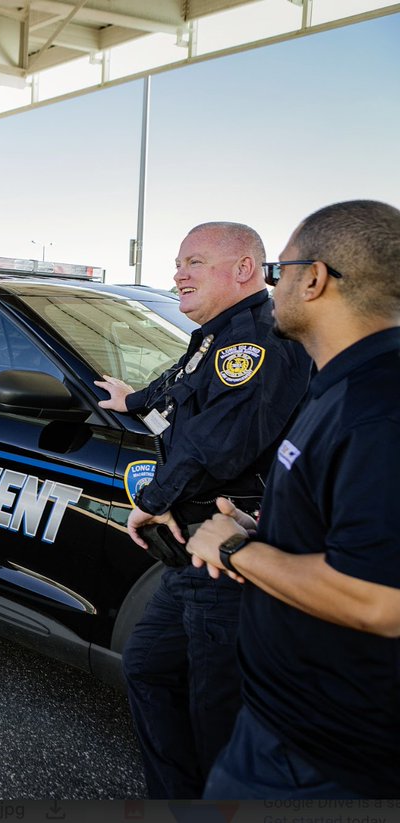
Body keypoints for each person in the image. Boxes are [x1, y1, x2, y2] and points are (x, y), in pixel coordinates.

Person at [187, 200, 400, 799]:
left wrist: (235, 552)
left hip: (319, 757)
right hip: (292, 732)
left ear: (315, 278)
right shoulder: (342, 382)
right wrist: (268, 529)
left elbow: (380, 598)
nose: (271, 289)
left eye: (280, 273)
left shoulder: (375, 408)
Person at [93, 222, 310, 798]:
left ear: (243, 270)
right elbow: (181, 383)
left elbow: (219, 443)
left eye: (193, 262)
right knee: (149, 667)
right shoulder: (217, 336)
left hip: (231, 551)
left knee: (219, 711)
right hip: (196, 551)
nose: (177, 274)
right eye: (178, 263)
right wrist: (131, 400)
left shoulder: (256, 341)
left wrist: (152, 501)